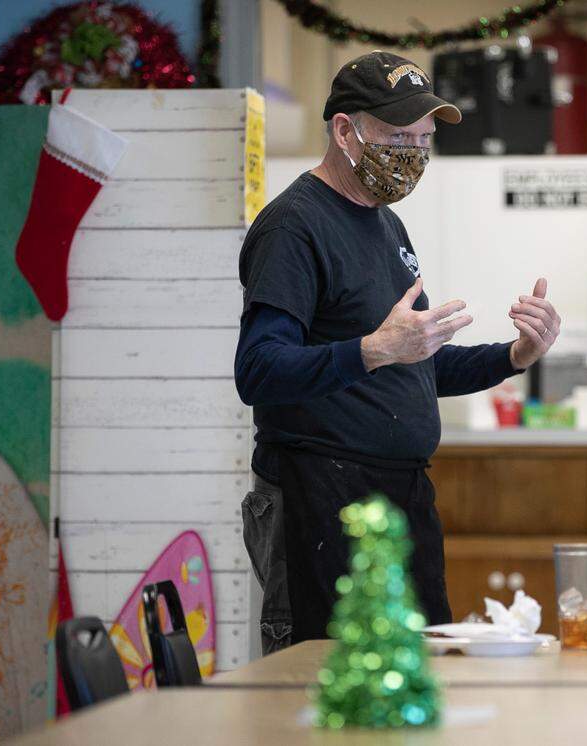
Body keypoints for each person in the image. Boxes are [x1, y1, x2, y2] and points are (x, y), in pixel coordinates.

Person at [235, 51, 561, 653]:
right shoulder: (293, 228)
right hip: (319, 495)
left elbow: (417, 363)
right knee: (326, 683)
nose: (413, 152)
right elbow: (258, 370)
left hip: (400, 493)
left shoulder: (385, 222)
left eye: (424, 138)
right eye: (397, 135)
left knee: (426, 669)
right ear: (344, 130)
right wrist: (371, 350)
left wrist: (514, 356)